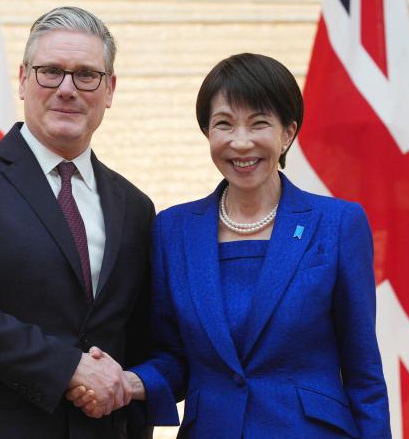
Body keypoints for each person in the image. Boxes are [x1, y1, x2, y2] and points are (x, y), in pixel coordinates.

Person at [69, 53, 392, 438]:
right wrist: (128, 383)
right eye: (224, 124)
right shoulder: (173, 229)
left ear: (288, 133)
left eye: (259, 124)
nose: (241, 142)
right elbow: (173, 356)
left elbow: (363, 372)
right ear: (208, 132)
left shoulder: (337, 224)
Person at [0, 6, 154, 439]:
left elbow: (134, 342)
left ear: (110, 89)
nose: (67, 88)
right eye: (51, 71)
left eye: (86, 75)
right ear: (23, 79)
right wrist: (68, 367)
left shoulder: (135, 207)